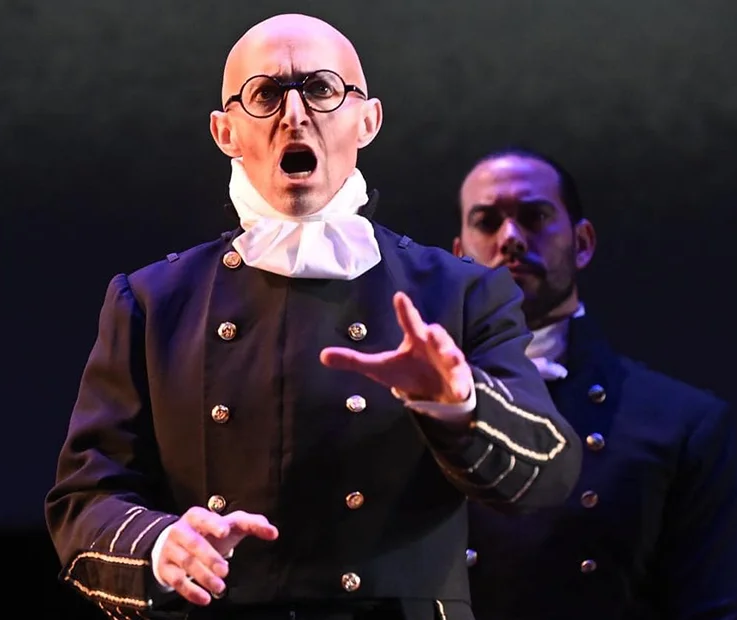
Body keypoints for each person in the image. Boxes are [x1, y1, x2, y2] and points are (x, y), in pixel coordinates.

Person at [44, 14, 582, 620]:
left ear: (367, 121)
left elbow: (550, 475)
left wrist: (460, 407)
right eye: (266, 95)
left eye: (322, 89)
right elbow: (83, 501)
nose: (295, 114)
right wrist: (160, 546)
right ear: (226, 131)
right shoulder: (152, 302)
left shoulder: (461, 293)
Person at [450, 148, 737, 619]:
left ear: (583, 242)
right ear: (459, 257)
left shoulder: (682, 424)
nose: (510, 238)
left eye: (534, 217)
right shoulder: (410, 412)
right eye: (487, 222)